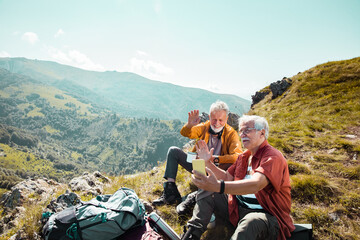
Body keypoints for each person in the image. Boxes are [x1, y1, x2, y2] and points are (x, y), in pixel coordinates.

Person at [182, 115, 295, 240]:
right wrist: (208, 163)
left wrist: (218, 186)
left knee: (251, 222)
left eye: (247, 130)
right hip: (238, 209)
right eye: (241, 131)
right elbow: (226, 177)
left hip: (267, 217)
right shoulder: (244, 157)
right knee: (207, 189)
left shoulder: (272, 157)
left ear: (262, 133)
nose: (242, 134)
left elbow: (256, 184)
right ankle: (191, 234)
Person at [152, 100, 242, 208]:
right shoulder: (205, 127)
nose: (217, 123)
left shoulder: (232, 134)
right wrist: (189, 125)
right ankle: (170, 193)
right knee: (173, 151)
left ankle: (195, 197)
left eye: (221, 120)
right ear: (209, 117)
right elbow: (186, 133)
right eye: (214, 119)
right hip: (197, 164)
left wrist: (214, 159)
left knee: (212, 178)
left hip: (214, 169)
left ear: (226, 119)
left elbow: (237, 156)